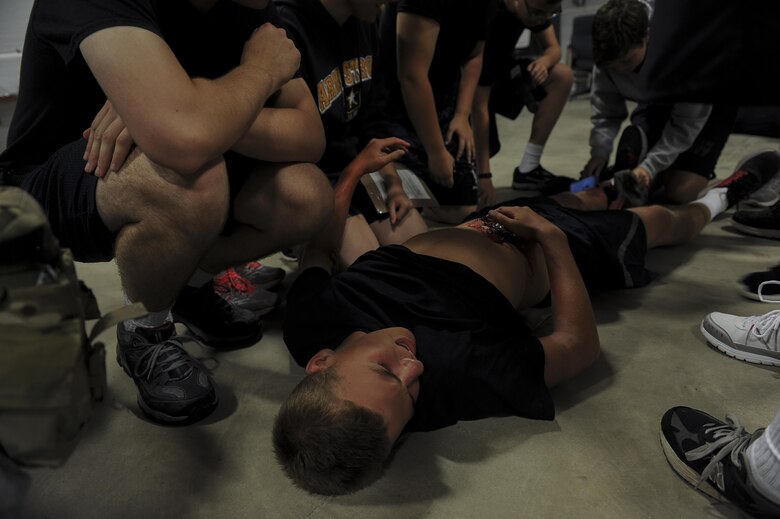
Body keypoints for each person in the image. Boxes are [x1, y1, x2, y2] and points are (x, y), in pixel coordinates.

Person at [271, 136, 778, 494]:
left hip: (491, 221)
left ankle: (618, 184)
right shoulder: (461, 371)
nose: (413, 366)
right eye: (411, 395)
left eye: (387, 371)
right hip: (549, 248)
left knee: (585, 195)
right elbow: (579, 346)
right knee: (664, 222)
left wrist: (355, 170)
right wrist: (552, 240)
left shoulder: (311, 319)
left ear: (320, 361)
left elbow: (319, 250)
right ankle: (722, 196)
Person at [0, 0, 334, 424]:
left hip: (164, 158)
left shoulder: (253, 9)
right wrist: (258, 73)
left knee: (308, 195)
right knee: (191, 178)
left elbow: (309, 136)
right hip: (45, 190)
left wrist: (192, 110)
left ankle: (188, 286)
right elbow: (186, 139)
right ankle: (146, 330)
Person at [276, 0, 429, 266]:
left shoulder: (364, 20)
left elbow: (374, 120)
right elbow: (288, 147)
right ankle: (300, 242)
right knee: (370, 268)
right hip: (313, 177)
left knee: (423, 252)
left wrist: (393, 183)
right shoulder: (287, 26)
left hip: (356, 164)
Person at [581, 0, 736, 206]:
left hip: (711, 103)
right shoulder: (608, 52)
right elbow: (607, 113)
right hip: (656, 100)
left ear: (647, 36)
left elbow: (685, 126)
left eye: (626, 61)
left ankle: (741, 178)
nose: (620, 70)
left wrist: (650, 167)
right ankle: (665, 171)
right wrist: (599, 153)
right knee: (634, 178)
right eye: (613, 65)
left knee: (680, 193)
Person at [378, 0, 499, 224]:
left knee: (464, 210)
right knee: (403, 216)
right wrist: (436, 151)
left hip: (443, 99)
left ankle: (424, 198)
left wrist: (462, 115)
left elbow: (475, 55)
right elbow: (411, 77)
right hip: (393, 104)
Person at [473, 0, 574, 204]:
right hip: (468, 82)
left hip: (500, 73)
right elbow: (478, 104)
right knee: (483, 155)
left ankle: (529, 168)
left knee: (561, 76)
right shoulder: (488, 12)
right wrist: (484, 175)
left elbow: (553, 48)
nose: (539, 20)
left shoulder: (534, 8)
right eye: (536, 13)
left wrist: (544, 62)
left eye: (548, 14)